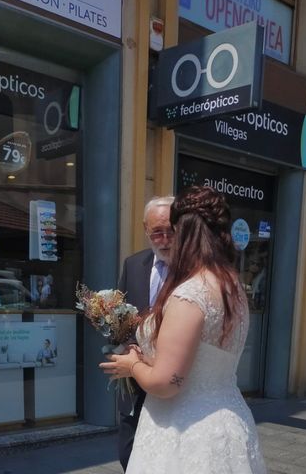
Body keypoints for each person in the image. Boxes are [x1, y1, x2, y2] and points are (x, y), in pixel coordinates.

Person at [100, 186, 266, 473]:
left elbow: (167, 383)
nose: (168, 241)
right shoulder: (233, 287)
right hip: (229, 423)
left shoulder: (190, 294)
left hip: (184, 431)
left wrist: (133, 364)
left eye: (173, 232)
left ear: (185, 233)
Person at [115, 195, 174, 471]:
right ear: (145, 230)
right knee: (128, 454)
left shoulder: (193, 271)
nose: (164, 239)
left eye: (170, 231)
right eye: (157, 232)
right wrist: (128, 347)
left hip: (172, 382)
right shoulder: (132, 264)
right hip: (133, 382)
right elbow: (120, 319)